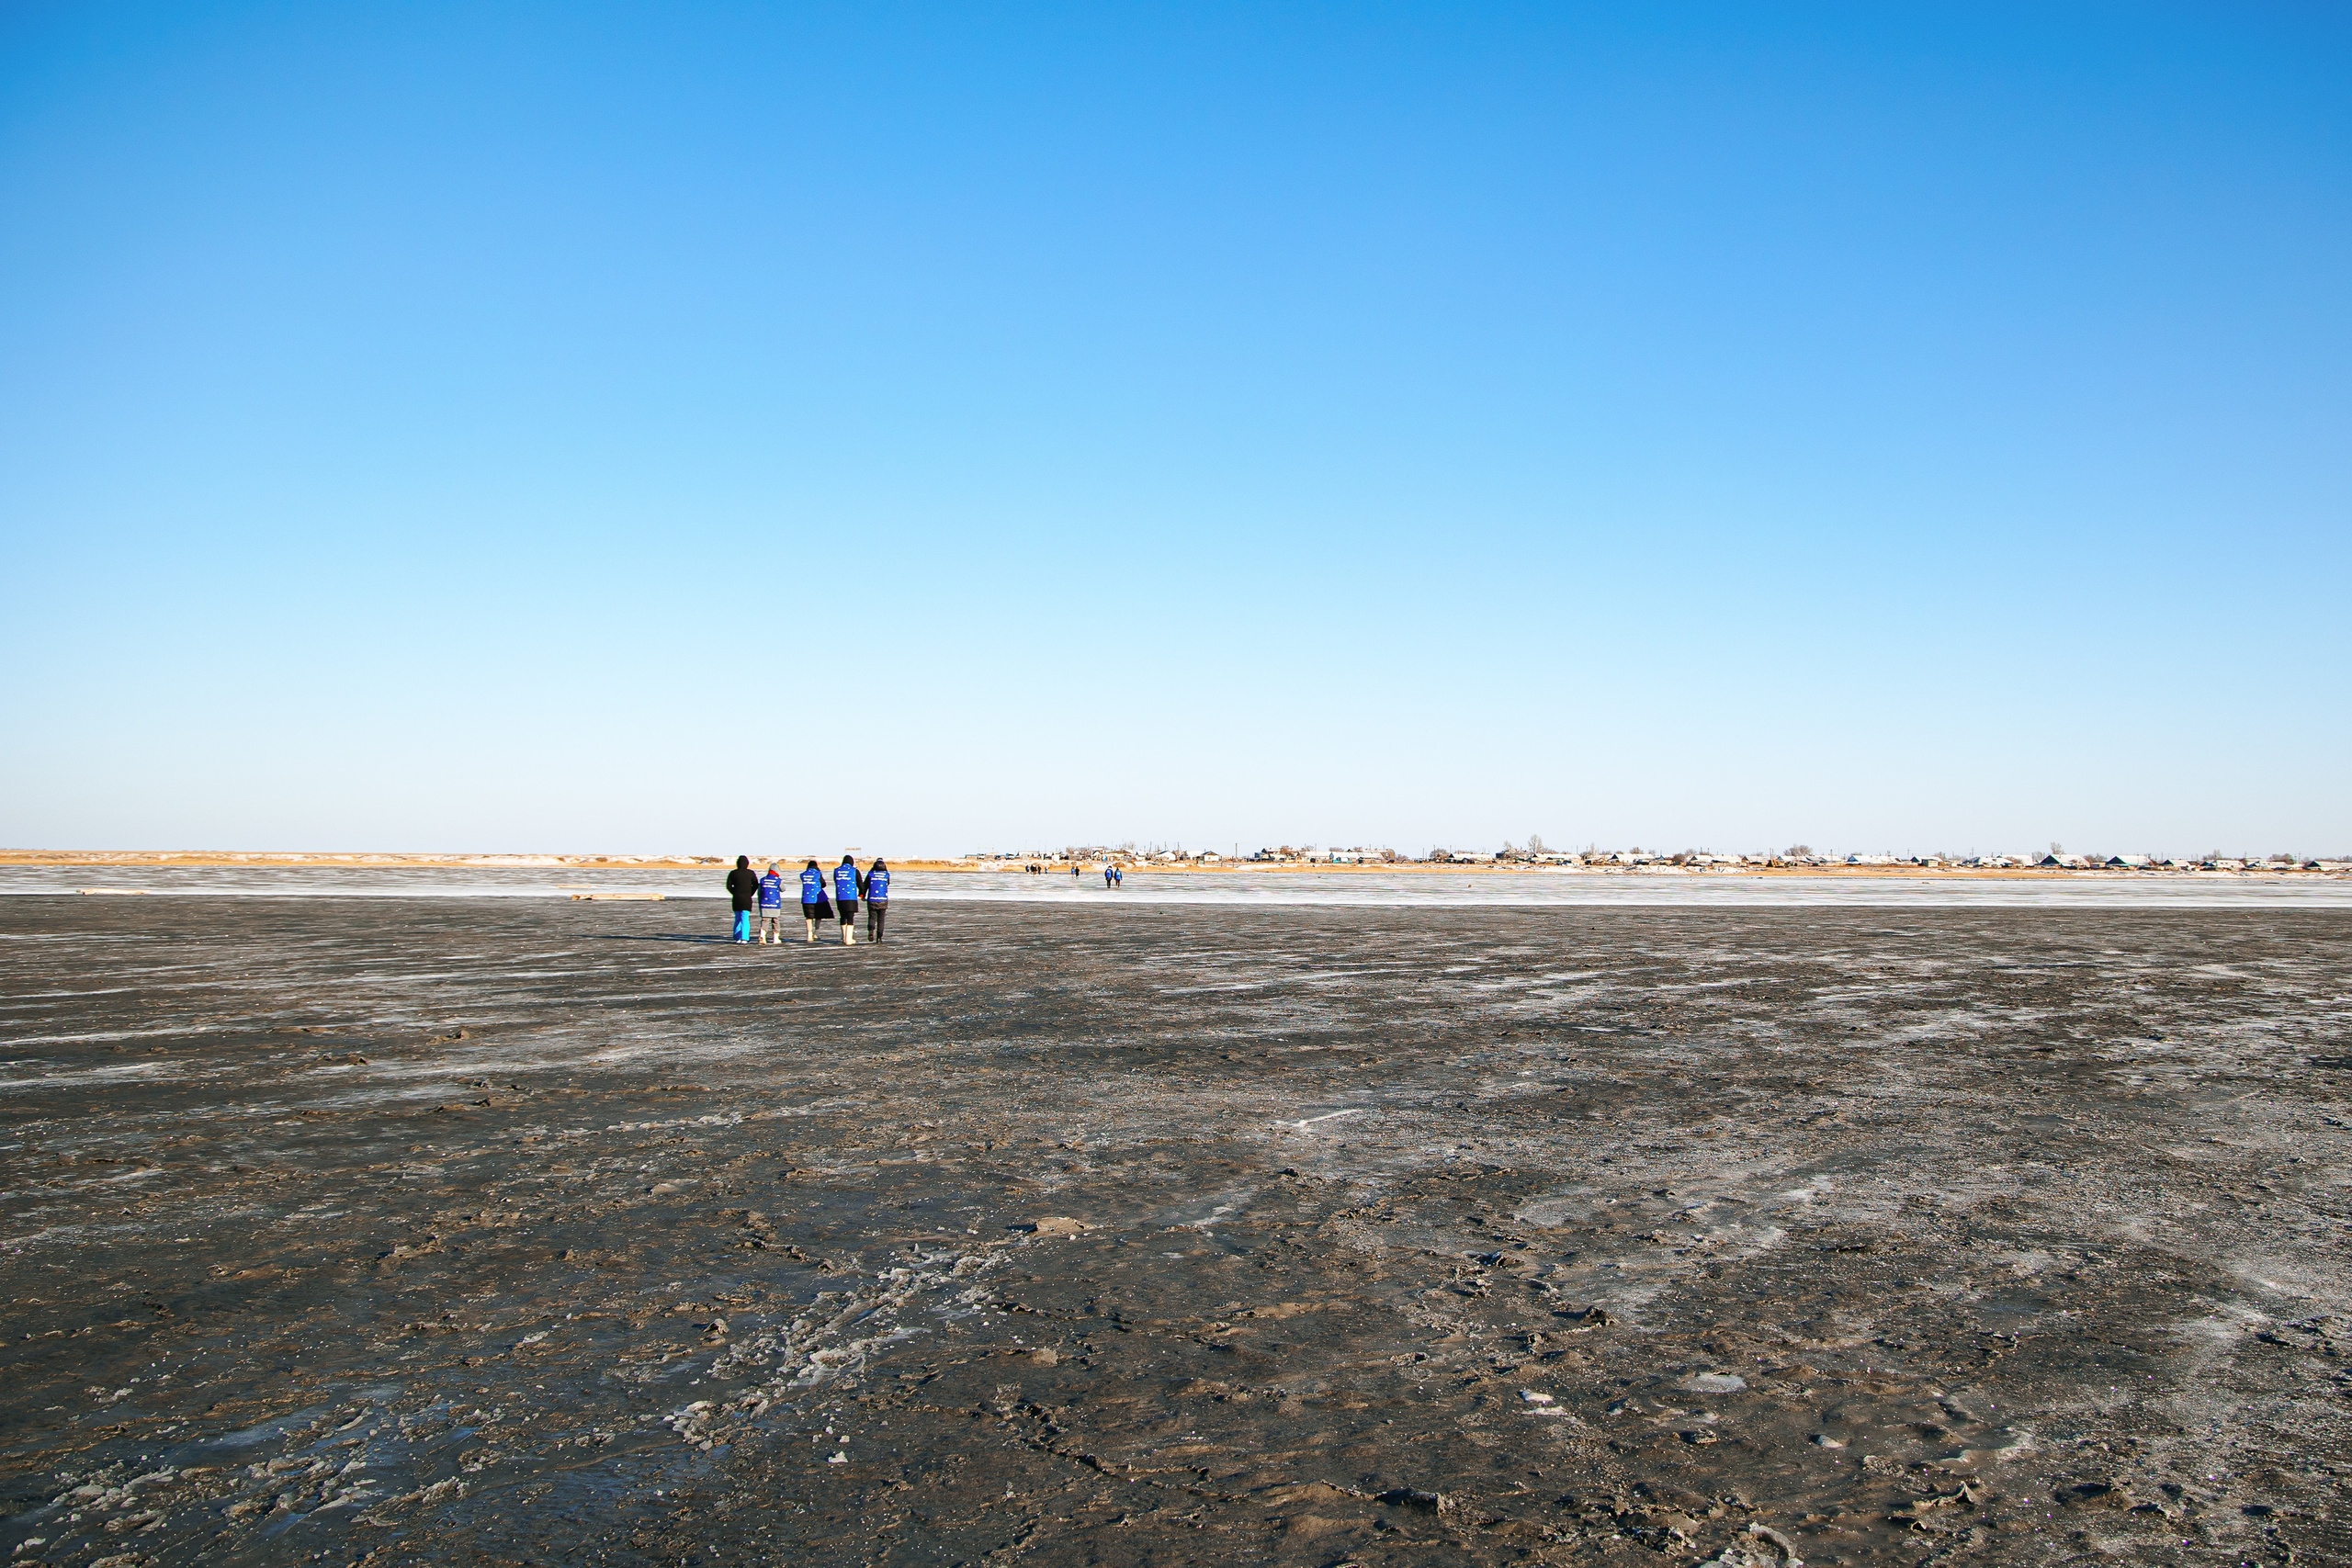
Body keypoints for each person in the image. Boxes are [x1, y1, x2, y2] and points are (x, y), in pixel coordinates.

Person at [724, 855, 759, 943]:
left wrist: (734, 892)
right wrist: (750, 893)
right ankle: (744, 938)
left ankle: (737, 937)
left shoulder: (733, 873)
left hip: (736, 899)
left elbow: (728, 886)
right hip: (746, 899)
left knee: (738, 918)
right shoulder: (750, 873)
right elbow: (756, 884)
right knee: (745, 918)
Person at [831, 854, 864, 945]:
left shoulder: (837, 870)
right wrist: (861, 893)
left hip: (840, 897)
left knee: (842, 916)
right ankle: (848, 939)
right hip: (851, 897)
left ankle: (844, 937)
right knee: (850, 917)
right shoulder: (854, 871)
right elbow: (860, 884)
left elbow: (836, 881)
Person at [799, 859, 831, 942]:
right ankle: (816, 932)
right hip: (817, 899)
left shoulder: (803, 875)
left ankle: (809, 934)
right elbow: (823, 884)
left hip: (806, 898)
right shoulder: (817, 874)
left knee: (809, 917)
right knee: (818, 916)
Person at [756, 863, 786, 943]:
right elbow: (783, 889)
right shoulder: (778, 880)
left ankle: (762, 935)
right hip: (774, 903)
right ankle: (776, 938)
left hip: (764, 903)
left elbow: (759, 892)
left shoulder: (763, 880)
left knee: (765, 920)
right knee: (775, 920)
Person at [865, 858, 890, 943]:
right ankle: (879, 938)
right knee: (881, 919)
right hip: (883, 899)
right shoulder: (886, 875)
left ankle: (871, 931)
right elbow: (888, 883)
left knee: (872, 917)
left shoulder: (870, 874)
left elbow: (865, 885)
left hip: (872, 899)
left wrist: (862, 894)